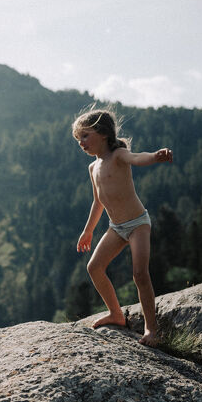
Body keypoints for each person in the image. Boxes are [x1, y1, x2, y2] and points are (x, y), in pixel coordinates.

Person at [72, 108, 172, 346]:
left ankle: (151, 330)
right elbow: (98, 202)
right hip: (116, 227)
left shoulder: (119, 154)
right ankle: (116, 314)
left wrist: (155, 156)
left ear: (103, 133)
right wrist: (88, 231)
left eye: (85, 136)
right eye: (78, 139)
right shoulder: (92, 167)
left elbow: (138, 158)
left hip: (137, 224)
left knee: (140, 274)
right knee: (94, 267)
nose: (81, 143)